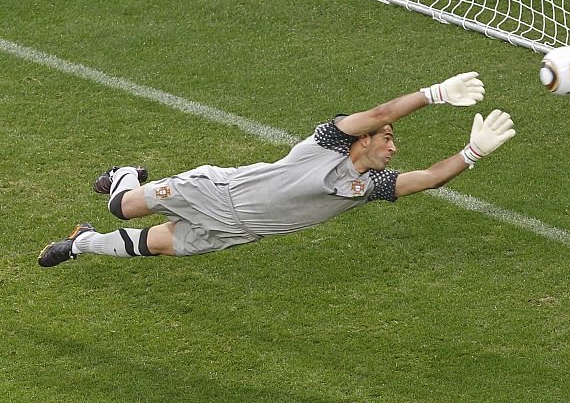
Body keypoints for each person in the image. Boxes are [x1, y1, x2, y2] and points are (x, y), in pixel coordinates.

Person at [38, 72, 516, 267]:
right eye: (388, 137)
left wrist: (472, 152)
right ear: (365, 139)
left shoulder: (367, 186)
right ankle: (124, 172)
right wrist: (434, 94)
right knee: (123, 207)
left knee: (151, 245)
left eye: (393, 139)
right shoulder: (327, 143)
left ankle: (81, 242)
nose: (393, 143)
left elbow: (429, 179)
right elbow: (380, 110)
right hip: (214, 193)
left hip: (238, 231)